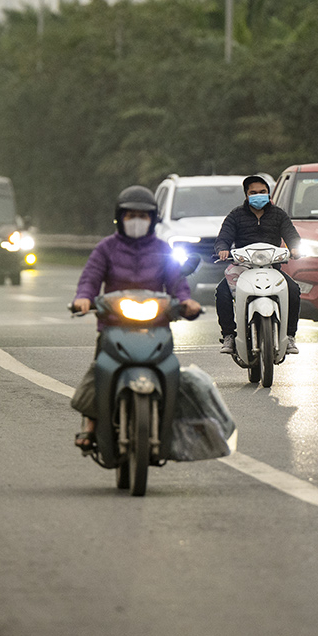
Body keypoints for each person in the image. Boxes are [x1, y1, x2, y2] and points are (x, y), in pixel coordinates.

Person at [71, 185, 201, 450]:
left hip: (157, 325)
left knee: (172, 369)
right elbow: (90, 279)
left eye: (143, 216)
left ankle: (176, 422)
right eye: (130, 215)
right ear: (120, 218)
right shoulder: (106, 248)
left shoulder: (163, 249)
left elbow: (177, 283)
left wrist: (186, 302)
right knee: (99, 369)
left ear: (152, 219)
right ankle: (90, 424)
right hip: (113, 324)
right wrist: (83, 298)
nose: (136, 221)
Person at [214, 175, 302, 355]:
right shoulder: (236, 215)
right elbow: (223, 238)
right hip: (242, 268)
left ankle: (290, 336)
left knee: (293, 290)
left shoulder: (279, 215)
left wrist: (295, 248)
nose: (258, 196)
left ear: (269, 193)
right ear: (246, 195)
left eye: (262, 192)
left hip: (272, 268)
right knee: (221, 292)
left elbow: (292, 236)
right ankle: (229, 335)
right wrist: (222, 249)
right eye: (253, 193)